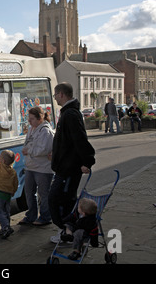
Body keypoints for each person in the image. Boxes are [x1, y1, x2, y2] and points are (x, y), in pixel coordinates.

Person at [49, 83, 96, 243]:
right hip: (64, 167)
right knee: (59, 199)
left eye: (55, 95)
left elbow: (80, 140)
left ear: (61, 94)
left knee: (60, 200)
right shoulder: (68, 113)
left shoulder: (70, 115)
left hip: (68, 169)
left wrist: (87, 161)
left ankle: (67, 234)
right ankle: (65, 231)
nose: (54, 98)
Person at [19, 107, 54, 226]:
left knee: (43, 193)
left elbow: (44, 149)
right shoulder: (32, 129)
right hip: (31, 166)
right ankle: (31, 215)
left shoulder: (45, 131)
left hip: (42, 168)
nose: (29, 121)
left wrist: (28, 151)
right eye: (28, 119)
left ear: (40, 118)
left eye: (32, 119)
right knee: (29, 192)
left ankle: (45, 217)